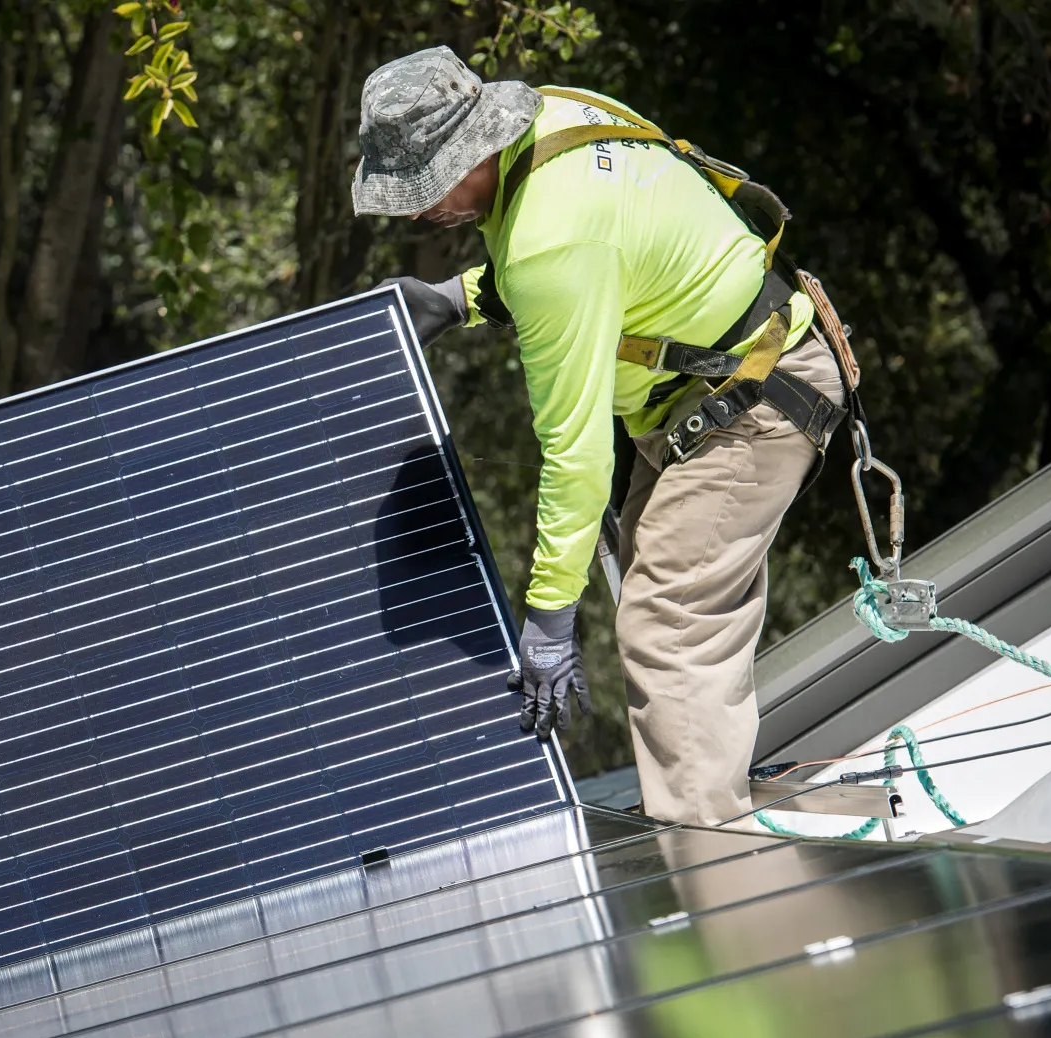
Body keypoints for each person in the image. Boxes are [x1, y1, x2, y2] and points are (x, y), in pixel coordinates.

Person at [351, 47, 847, 827]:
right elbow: (615, 252)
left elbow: (574, 450)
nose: (419, 213)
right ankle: (710, 820)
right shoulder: (559, 112)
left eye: (425, 189)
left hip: (750, 403)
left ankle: (712, 870)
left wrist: (548, 616)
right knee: (672, 613)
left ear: (473, 151)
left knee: (667, 623)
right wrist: (462, 296)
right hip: (724, 383)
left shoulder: (547, 244)